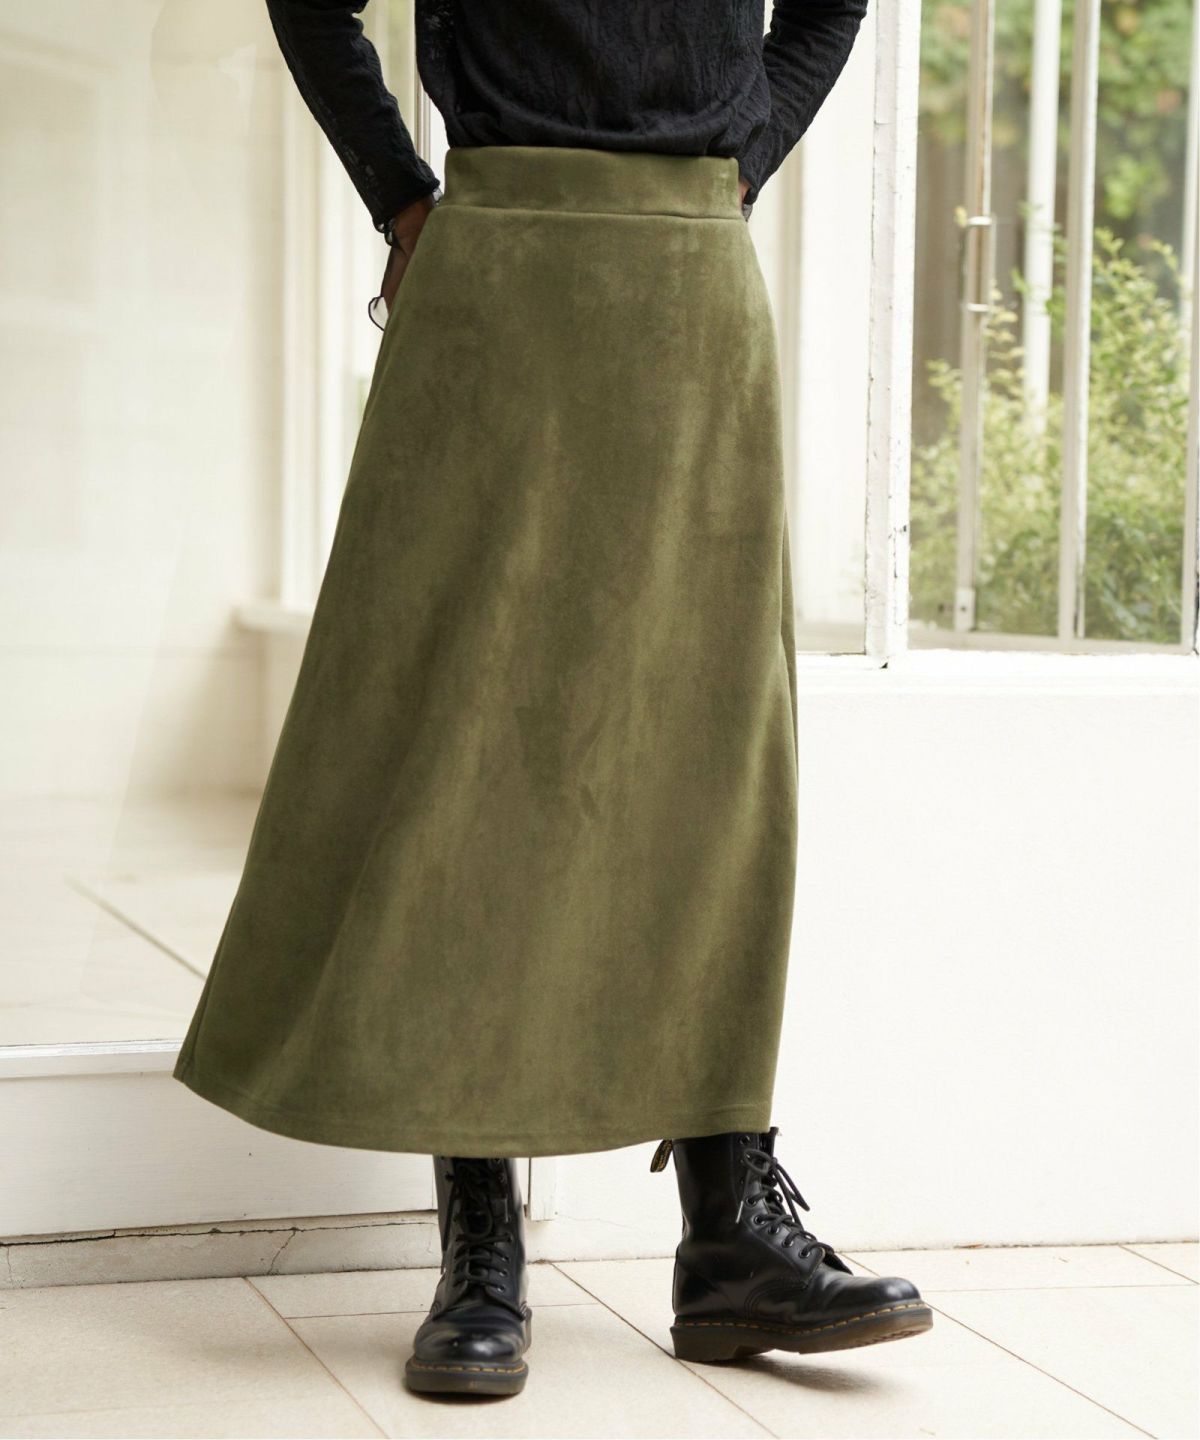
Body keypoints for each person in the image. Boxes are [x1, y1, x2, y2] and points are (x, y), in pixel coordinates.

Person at [173, 0, 932, 1399]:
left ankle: (731, 1226)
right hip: (500, 275)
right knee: (474, 761)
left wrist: (743, 155)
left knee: (713, 760)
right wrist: (403, 195)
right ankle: (483, 1246)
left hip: (693, 283)